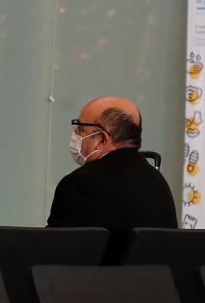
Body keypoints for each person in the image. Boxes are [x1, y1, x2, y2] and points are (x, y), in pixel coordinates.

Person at [48, 96, 177, 261]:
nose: (75, 135)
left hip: (97, 285)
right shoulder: (157, 180)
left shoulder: (80, 183)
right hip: (154, 285)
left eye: (80, 128)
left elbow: (54, 252)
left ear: (101, 139)